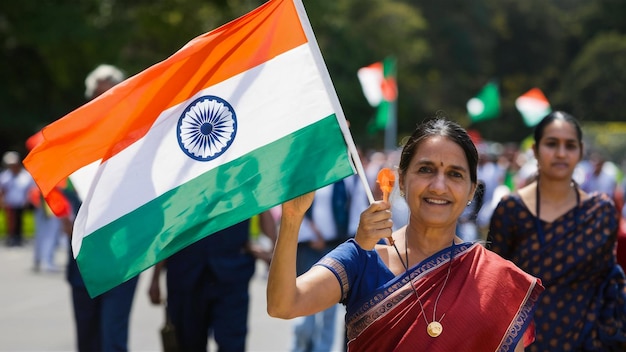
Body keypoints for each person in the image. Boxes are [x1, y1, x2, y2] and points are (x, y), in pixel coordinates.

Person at [267, 117, 544, 351]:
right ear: (402, 180)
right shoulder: (362, 259)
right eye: (426, 170)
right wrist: (292, 218)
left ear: (472, 190)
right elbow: (282, 305)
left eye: (455, 174)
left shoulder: (496, 279)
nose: (438, 185)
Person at [488, 111, 626, 351]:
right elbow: (495, 285)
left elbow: (607, 284)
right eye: (552, 144)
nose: (561, 153)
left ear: (580, 151)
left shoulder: (600, 211)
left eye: (569, 145)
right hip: (524, 344)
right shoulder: (511, 210)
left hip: (585, 343)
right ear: (535, 150)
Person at [65, 64, 139, 352]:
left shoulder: (136, 137)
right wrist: (61, 214)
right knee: (87, 339)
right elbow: (61, 189)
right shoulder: (78, 137)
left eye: (110, 94)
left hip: (121, 256)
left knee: (113, 338)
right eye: (98, 95)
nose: (103, 100)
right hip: (83, 257)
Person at [148, 211, 277, 351]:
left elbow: (262, 207)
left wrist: (275, 255)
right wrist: (155, 278)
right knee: (188, 343)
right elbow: (167, 227)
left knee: (232, 344)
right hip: (185, 274)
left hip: (232, 273)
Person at [291, 180, 349, 352]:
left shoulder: (344, 179)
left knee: (330, 310)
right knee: (304, 305)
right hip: (309, 247)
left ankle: (322, 349)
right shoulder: (309, 176)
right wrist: (314, 233)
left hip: (334, 246)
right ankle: (300, 347)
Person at [0, 151, 34, 247]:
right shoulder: (5, 176)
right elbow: (2, 190)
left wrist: (28, 200)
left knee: (20, 220)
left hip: (21, 202)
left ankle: (19, 237)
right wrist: (2, 201)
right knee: (10, 221)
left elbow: (29, 190)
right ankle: (11, 237)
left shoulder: (25, 175)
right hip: (10, 202)